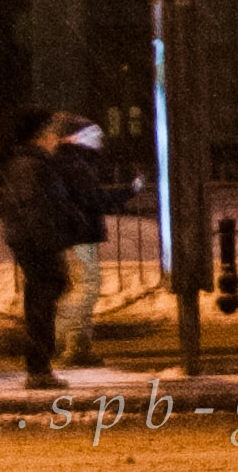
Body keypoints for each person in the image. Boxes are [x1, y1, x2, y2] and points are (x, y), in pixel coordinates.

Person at [51, 115, 136, 367]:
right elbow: (92, 200)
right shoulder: (76, 164)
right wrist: (127, 193)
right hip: (80, 235)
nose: (98, 141)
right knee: (85, 287)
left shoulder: (67, 161)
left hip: (71, 234)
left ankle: (76, 344)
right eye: (93, 135)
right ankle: (65, 339)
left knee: (79, 288)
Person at [0, 108, 72, 390]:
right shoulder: (32, 165)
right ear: (39, 135)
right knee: (42, 303)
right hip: (38, 244)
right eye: (52, 131)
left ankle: (40, 364)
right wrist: (50, 247)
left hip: (33, 241)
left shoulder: (27, 163)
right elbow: (35, 210)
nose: (56, 137)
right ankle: (39, 367)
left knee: (41, 301)